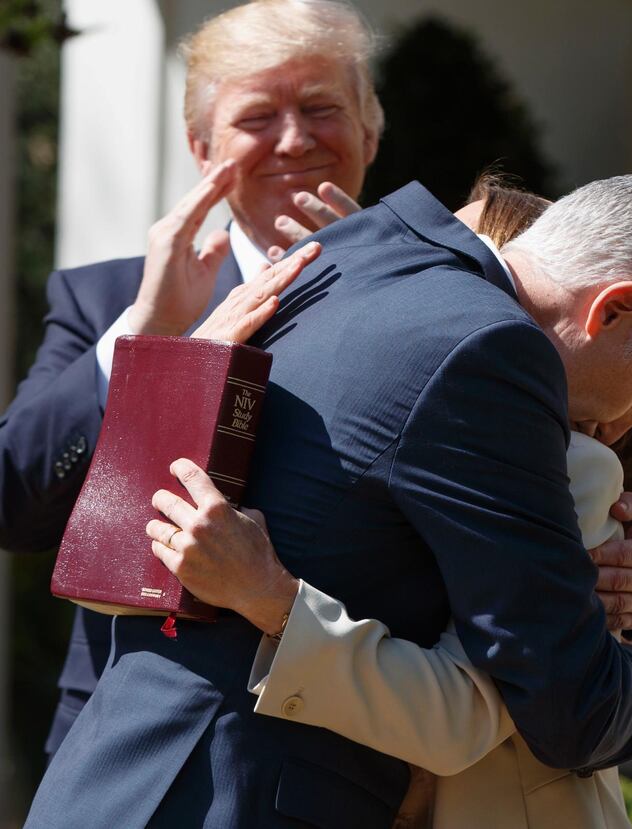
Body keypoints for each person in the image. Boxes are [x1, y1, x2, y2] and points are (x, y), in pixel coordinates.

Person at [25, 173, 632, 828]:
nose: (627, 425)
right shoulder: (494, 353)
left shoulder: (355, 247)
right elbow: (571, 708)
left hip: (110, 765)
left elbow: (110, 562)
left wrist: (181, 382)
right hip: (229, 793)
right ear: (614, 309)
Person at [0, 0, 383, 759]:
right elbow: (15, 501)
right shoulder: (109, 300)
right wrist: (151, 329)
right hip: (128, 754)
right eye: (257, 118)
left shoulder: (446, 299)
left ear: (371, 130)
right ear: (201, 146)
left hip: (356, 747)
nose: (295, 139)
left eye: (320, 108)